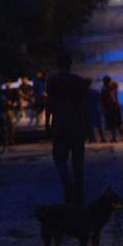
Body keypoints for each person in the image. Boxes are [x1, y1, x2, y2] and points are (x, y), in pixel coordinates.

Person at [47, 52, 89, 204]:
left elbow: (49, 104)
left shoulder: (52, 81)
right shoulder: (78, 81)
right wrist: (88, 127)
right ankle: (79, 194)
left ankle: (67, 185)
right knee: (78, 161)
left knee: (60, 159)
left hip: (60, 123)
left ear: (58, 64)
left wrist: (47, 125)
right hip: (77, 123)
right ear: (70, 63)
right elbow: (84, 107)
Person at [101, 76, 123, 143]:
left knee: (113, 123)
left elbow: (110, 99)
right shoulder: (112, 88)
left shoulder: (106, 89)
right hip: (114, 107)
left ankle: (114, 138)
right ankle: (121, 137)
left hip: (111, 108)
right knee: (118, 123)